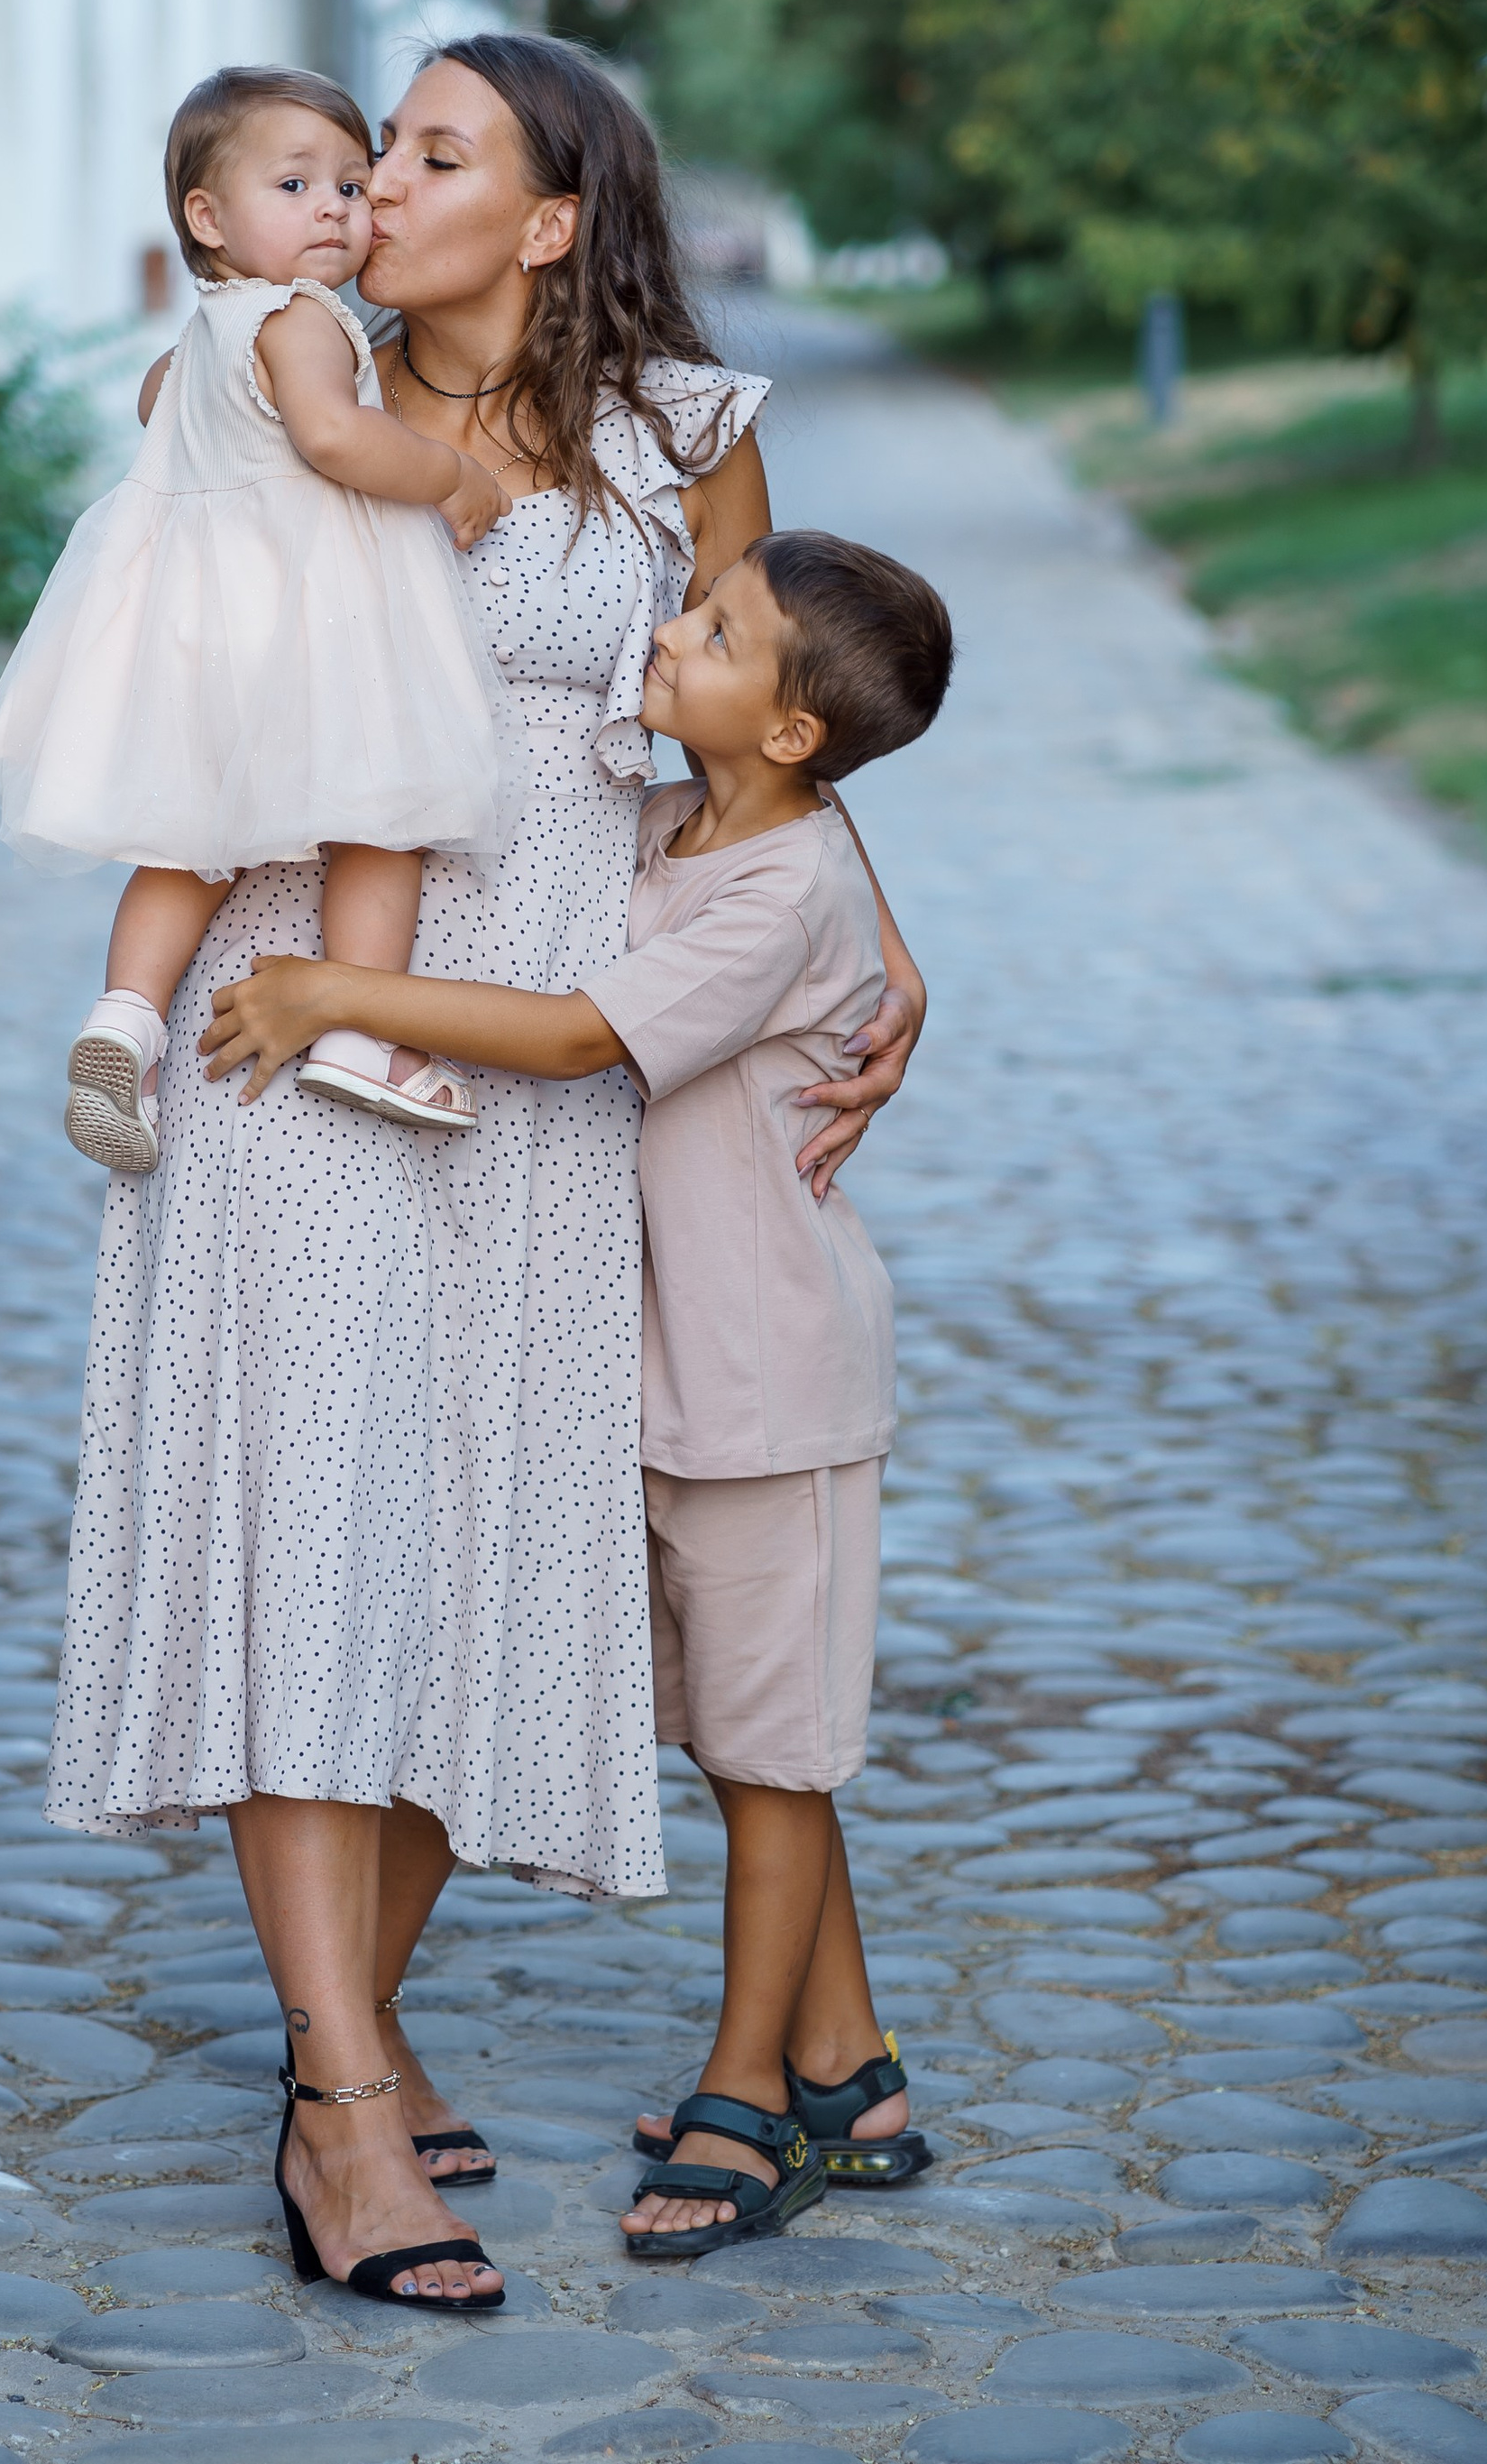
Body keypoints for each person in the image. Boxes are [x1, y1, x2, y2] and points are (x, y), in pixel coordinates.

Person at [41, 35, 926, 2312]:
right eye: (349, 157)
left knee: (457, 1536)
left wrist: (877, 935)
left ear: (544, 221)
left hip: (548, 1069)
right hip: (296, 1013)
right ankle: (339, 2103)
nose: (365, 184)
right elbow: (160, 699)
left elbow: (759, 743)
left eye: (424, 154)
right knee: (309, 1527)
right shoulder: (258, 403)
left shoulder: (684, 444)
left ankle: (364, 2028)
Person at [201, 526, 952, 2256]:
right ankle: (850, 2070)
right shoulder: (689, 826)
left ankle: (751, 2097)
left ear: (788, 732)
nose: (670, 631)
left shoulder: (780, 887)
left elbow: (569, 1035)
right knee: (740, 1739)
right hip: (656, 1370)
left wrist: (334, 988)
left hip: (767, 1393)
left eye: (715, 628)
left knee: (774, 1765)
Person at [0, 65, 513, 1168]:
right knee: (382, 817)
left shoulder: (205, 333)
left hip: (201, 638)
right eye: (297, 184)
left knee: (184, 845)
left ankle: (125, 1017)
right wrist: (450, 476)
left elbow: (154, 405)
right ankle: (361, 1030)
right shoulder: (301, 320)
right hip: (312, 632)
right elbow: (336, 439)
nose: (336, 210)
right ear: (207, 219)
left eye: (352, 188)